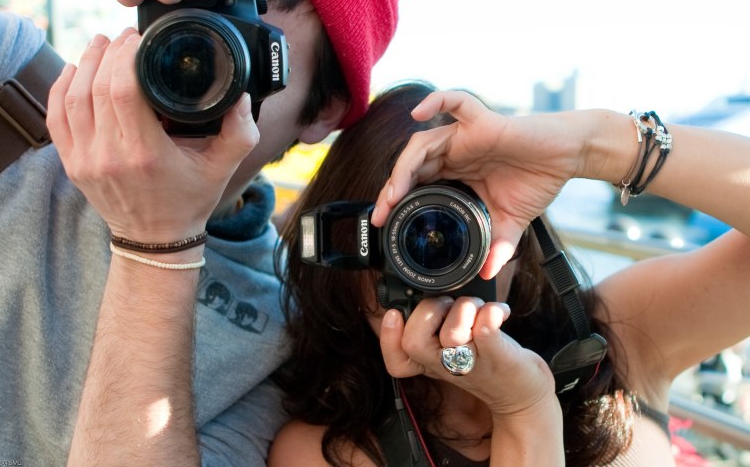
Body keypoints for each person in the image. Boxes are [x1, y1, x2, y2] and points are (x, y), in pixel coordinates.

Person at [0, 0, 414, 466]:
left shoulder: (276, 334)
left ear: (320, 112)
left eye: (238, 52)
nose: (190, 63)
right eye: (184, 23)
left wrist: (158, 246)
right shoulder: (2, 90)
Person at [269, 81, 750, 466]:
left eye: (459, 227)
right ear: (346, 253)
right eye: (402, 229)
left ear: (519, 244)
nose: (430, 261)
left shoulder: (621, 335)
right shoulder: (322, 452)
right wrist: (524, 412)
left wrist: (593, 146)